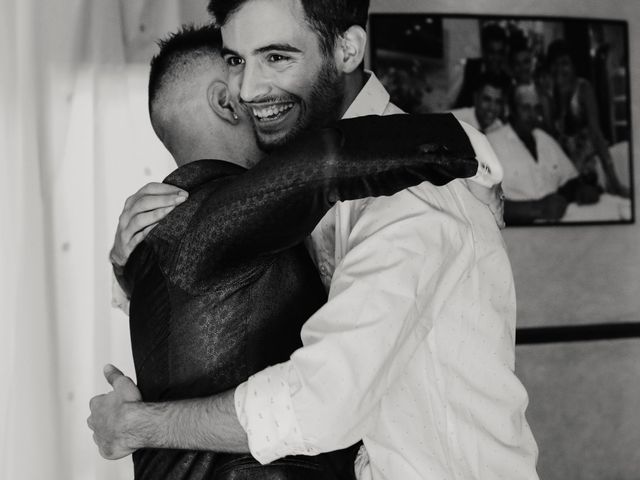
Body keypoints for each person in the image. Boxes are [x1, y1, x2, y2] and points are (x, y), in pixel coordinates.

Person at [89, 1, 540, 479]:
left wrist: (143, 425)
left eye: (277, 57)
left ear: (347, 49)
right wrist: (129, 258)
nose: (248, 89)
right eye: (238, 60)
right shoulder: (287, 183)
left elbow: (320, 404)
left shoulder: (416, 197)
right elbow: (229, 297)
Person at [488, 83, 601, 225]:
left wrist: (581, 191)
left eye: (537, 109)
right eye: (525, 108)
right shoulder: (492, 143)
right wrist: (538, 208)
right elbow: (484, 203)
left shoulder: (544, 139)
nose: (532, 115)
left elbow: (570, 181)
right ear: (512, 110)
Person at [547, 39, 629, 197]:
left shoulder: (584, 89)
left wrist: (615, 183)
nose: (559, 69)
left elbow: (597, 136)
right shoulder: (549, 93)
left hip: (589, 170)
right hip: (562, 175)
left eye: (565, 63)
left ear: (573, 66)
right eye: (555, 64)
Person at [449, 23, 512, 109]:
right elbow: (450, 102)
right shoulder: (467, 69)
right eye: (491, 52)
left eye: (500, 53)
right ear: (483, 51)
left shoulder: (506, 80)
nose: (496, 58)